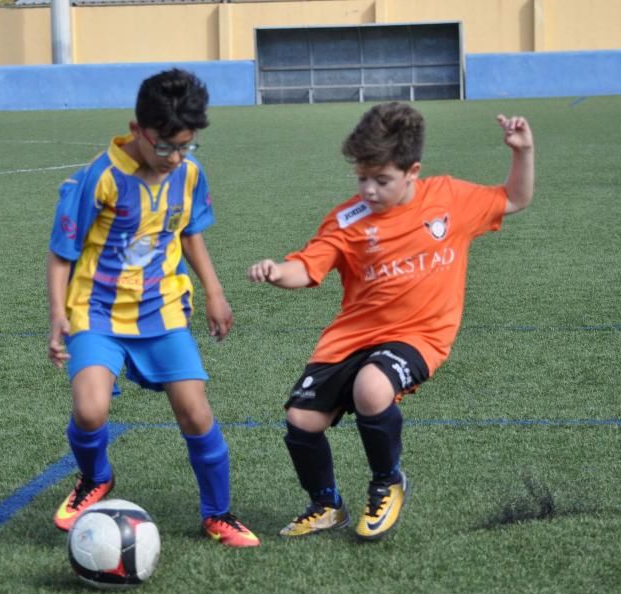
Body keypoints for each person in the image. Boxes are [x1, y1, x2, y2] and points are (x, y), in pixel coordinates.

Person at [247, 102, 534, 541]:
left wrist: (522, 152)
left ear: (412, 171)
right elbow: (308, 267)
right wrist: (276, 271)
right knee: (301, 422)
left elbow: (514, 198)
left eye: (381, 180)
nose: (369, 190)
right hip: (352, 335)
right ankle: (326, 505)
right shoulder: (348, 220)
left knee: (372, 386)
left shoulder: (450, 199)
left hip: (422, 335)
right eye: (361, 178)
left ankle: (387, 481)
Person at [46, 68, 260, 548]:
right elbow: (62, 252)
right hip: (96, 311)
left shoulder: (187, 174)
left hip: (161, 311)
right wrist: (58, 314)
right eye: (164, 146)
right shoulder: (100, 178)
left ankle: (218, 514)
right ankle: (94, 479)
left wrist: (214, 291)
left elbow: (189, 233)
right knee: (90, 408)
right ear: (137, 129)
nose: (175, 156)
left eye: (186, 145)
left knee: (196, 414)